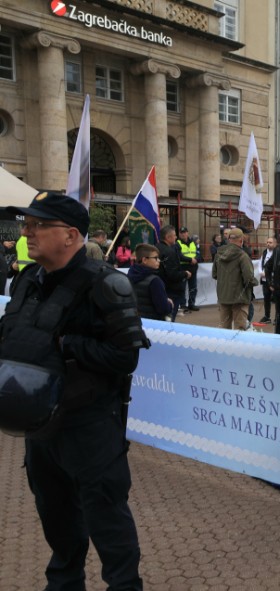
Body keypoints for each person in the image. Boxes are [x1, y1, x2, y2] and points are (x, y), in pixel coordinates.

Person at [1, 191, 148, 590]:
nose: (26, 233)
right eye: (26, 225)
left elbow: (125, 357)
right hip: (41, 429)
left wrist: (68, 345)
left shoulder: (107, 285)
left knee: (108, 525)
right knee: (58, 523)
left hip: (90, 427)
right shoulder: (28, 280)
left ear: (70, 235)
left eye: (37, 226)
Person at [212, 228, 257, 331]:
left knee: (224, 329)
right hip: (240, 298)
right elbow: (249, 279)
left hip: (223, 296)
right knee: (239, 330)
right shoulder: (243, 256)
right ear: (241, 240)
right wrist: (256, 282)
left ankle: (225, 347)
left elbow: (215, 274)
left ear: (228, 239)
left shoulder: (219, 254)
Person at [128, 243, 173, 320]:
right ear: (145, 260)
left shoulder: (128, 277)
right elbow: (163, 309)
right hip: (154, 325)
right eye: (155, 258)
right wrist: (169, 304)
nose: (159, 260)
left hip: (136, 322)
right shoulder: (155, 281)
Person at [157, 225, 191, 322]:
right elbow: (172, 274)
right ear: (168, 237)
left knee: (162, 317)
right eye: (174, 235)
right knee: (169, 318)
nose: (176, 237)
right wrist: (185, 274)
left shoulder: (157, 248)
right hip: (171, 290)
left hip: (162, 288)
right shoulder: (169, 252)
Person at [177, 226, 200, 312]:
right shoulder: (177, 243)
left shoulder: (193, 243)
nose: (183, 234)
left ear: (187, 233)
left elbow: (198, 254)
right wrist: (190, 260)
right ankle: (183, 305)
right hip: (183, 267)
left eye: (185, 232)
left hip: (193, 267)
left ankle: (191, 304)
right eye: (181, 233)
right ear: (179, 234)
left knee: (193, 287)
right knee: (182, 287)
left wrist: (196, 259)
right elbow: (179, 255)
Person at [259, 237, 276, 323]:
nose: (268, 244)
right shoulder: (265, 252)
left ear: (275, 244)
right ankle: (267, 316)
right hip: (265, 280)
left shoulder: (277, 253)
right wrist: (261, 272)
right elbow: (260, 263)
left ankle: (277, 318)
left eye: (270, 242)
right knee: (266, 298)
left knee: (277, 300)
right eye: (267, 242)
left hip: (274, 280)